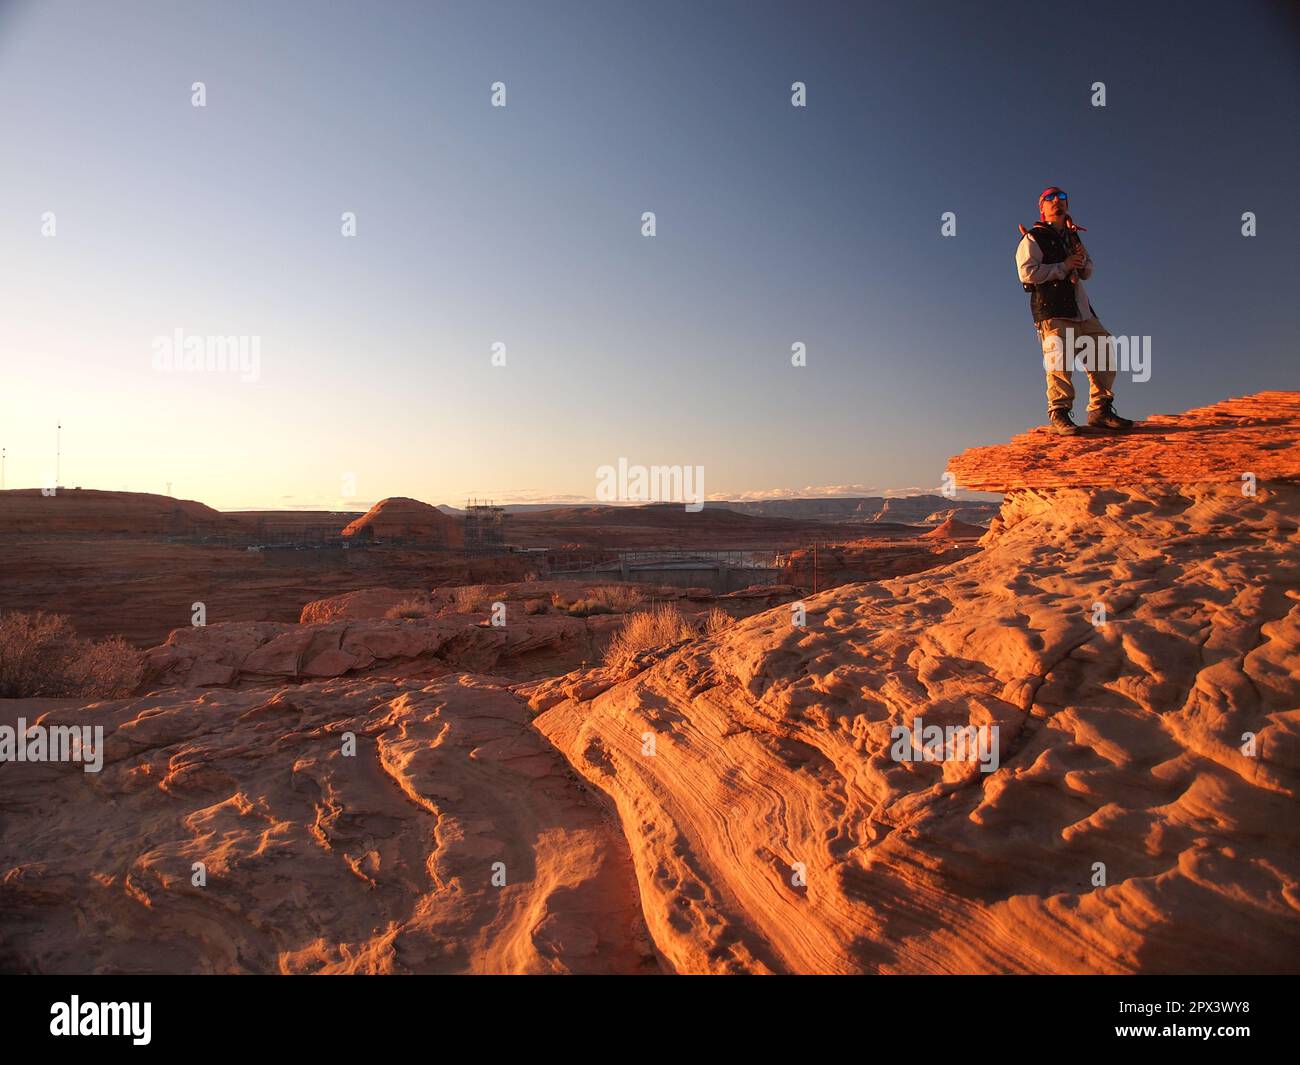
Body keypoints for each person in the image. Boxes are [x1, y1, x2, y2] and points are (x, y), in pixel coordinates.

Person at [1016, 186, 1135, 435]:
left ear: (1067, 206)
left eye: (1061, 198)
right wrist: (1064, 265)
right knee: (1058, 361)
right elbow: (1026, 274)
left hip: (1082, 309)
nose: (1056, 201)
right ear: (1042, 207)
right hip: (1053, 310)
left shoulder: (1072, 237)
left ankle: (1100, 410)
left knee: (1104, 348)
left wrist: (1080, 261)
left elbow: (1087, 272)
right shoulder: (1033, 238)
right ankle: (1059, 411)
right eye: (1050, 198)